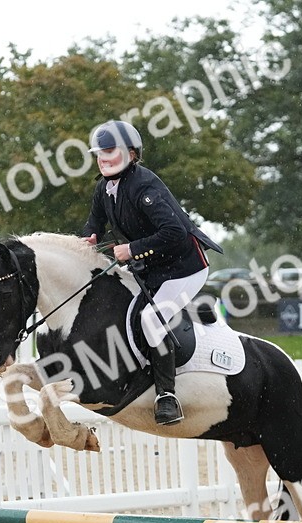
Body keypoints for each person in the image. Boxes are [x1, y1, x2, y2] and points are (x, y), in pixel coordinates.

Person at [81, 119, 222, 425]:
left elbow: (173, 231)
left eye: (109, 151)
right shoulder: (104, 188)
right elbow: (94, 224)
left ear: (131, 153)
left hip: (184, 269)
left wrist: (130, 249)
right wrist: (88, 239)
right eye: (98, 152)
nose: (102, 158)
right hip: (153, 269)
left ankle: (166, 396)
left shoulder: (144, 185)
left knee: (150, 318)